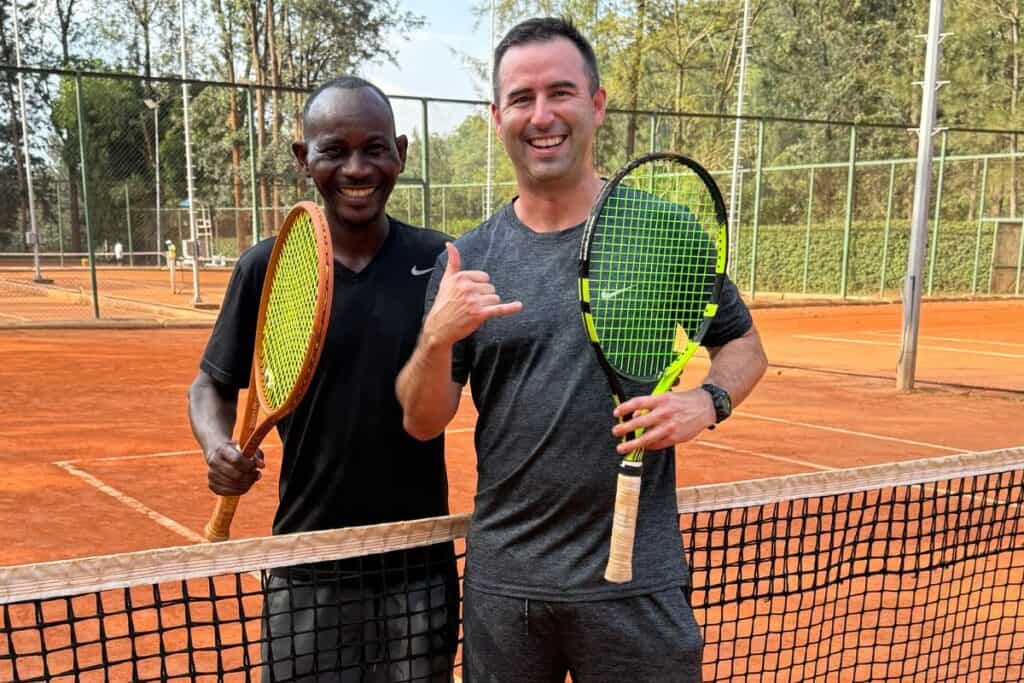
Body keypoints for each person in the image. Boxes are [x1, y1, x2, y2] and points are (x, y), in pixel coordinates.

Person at [397, 17, 768, 683]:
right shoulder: (468, 259)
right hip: (506, 590)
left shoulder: (662, 230)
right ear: (496, 117)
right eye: (521, 98)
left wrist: (706, 401)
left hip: (635, 582)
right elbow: (423, 420)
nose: (542, 115)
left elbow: (743, 343)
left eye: (561, 92)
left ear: (596, 105)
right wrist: (434, 336)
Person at [188, 76, 458, 683]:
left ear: (402, 153)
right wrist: (217, 445)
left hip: (417, 566)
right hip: (307, 565)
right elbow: (210, 385)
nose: (357, 167)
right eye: (334, 150)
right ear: (303, 159)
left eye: (376, 147)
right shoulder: (267, 266)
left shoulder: (442, 262)